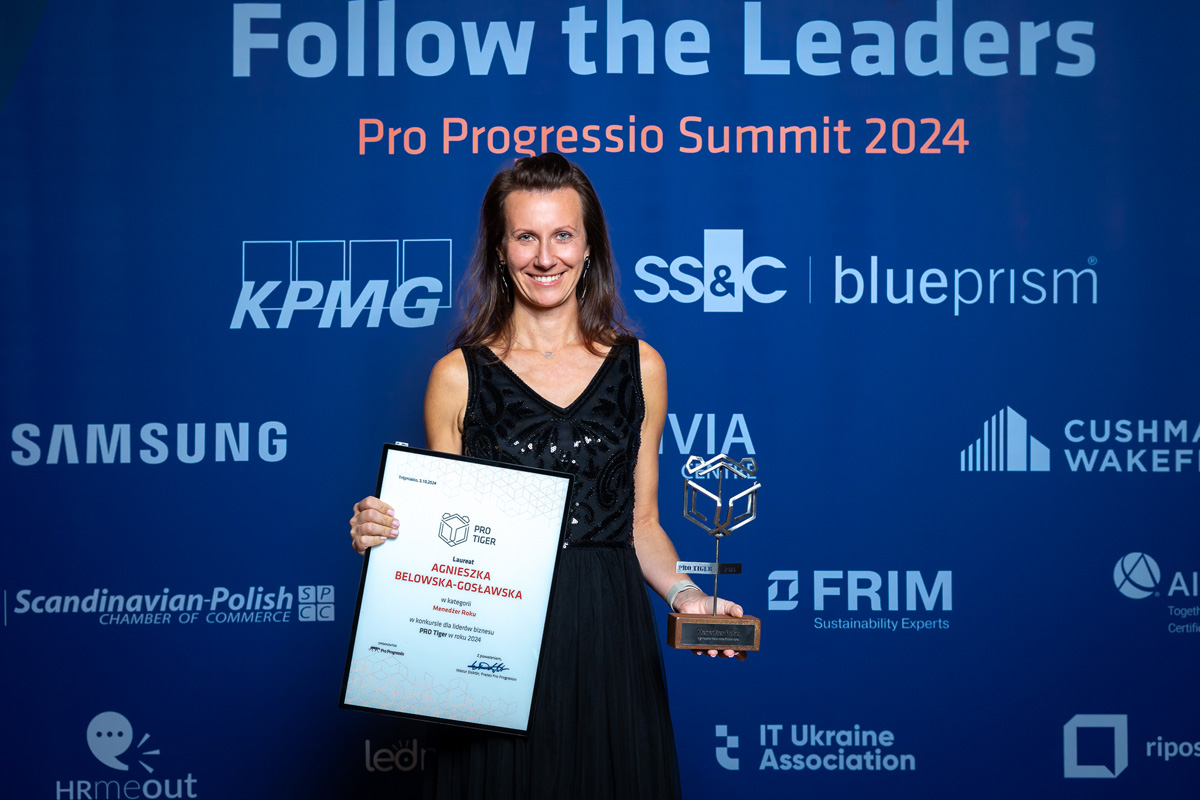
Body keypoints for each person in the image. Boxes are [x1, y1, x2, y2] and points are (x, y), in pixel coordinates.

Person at [348, 153, 743, 800]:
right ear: (499, 250)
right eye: (525, 237)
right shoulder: (457, 377)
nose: (544, 257)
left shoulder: (640, 367)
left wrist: (688, 597)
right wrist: (385, 532)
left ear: (589, 247)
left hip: (610, 634)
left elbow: (641, 524)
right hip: (494, 641)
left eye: (562, 235)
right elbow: (442, 536)